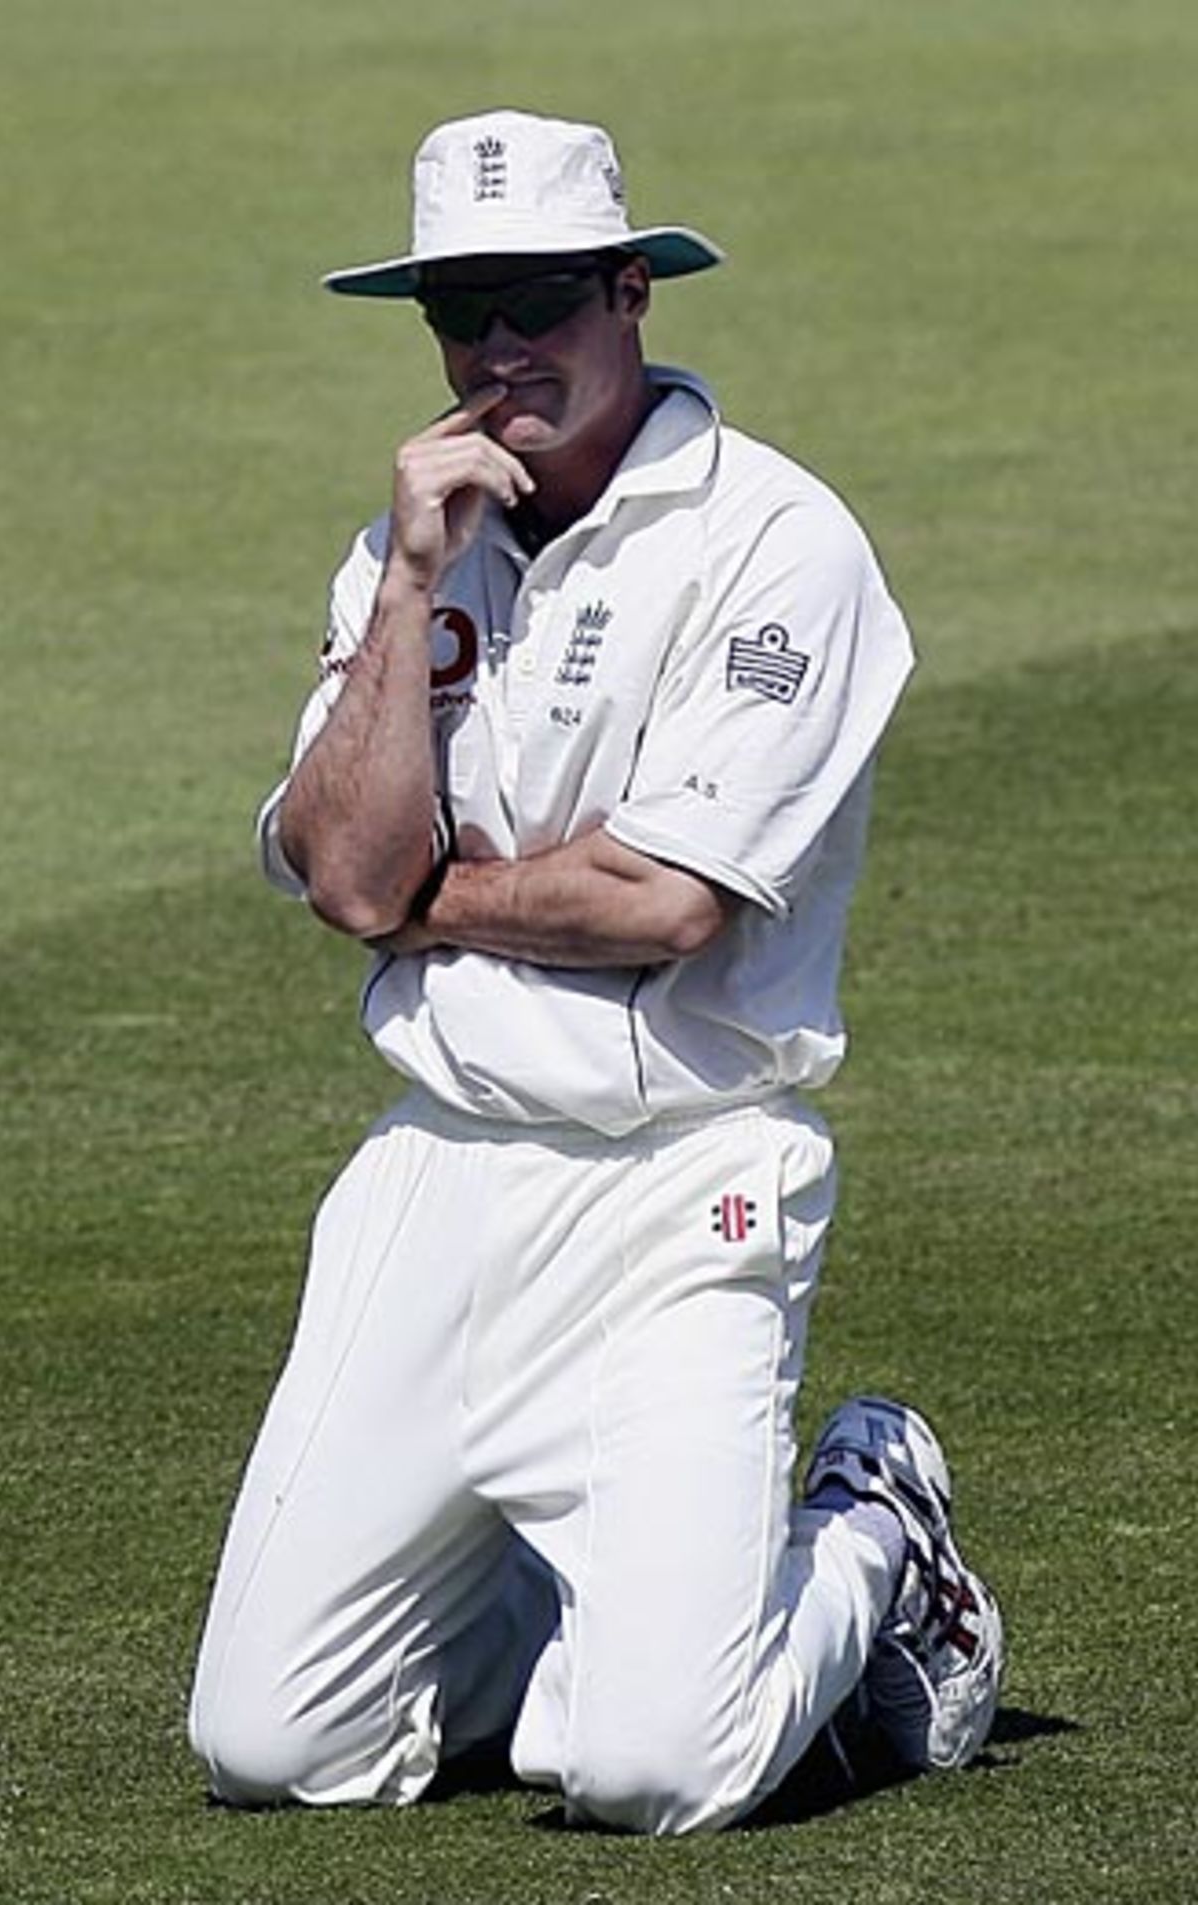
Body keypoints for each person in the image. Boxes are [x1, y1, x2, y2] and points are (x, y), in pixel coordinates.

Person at [188, 108, 1003, 1836]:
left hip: (685, 1178)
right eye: (460, 305)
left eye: (542, 292)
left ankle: (870, 1525)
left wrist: (427, 896)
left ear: (632, 289)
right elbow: (345, 869)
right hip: (441, 1169)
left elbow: (665, 903)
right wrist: (410, 583)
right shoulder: (408, 543)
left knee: (647, 1769)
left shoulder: (779, 544)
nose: (499, 345)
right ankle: (607, 1614)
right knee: (273, 1749)